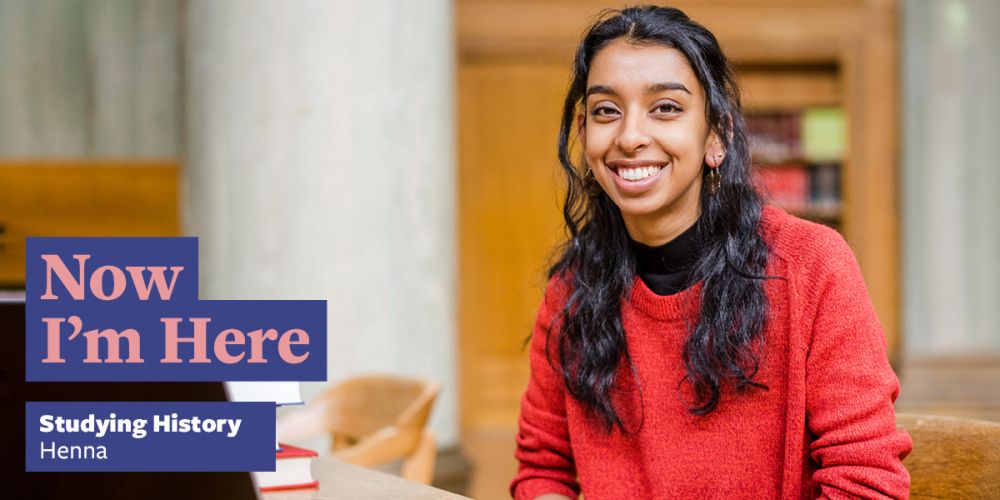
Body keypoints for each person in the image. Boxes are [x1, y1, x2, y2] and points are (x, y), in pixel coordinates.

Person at [510, 5, 912, 499]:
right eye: (606, 111)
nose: (630, 137)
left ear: (716, 136)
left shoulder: (812, 265)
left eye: (666, 108)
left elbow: (865, 482)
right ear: (584, 135)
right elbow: (543, 470)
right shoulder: (573, 289)